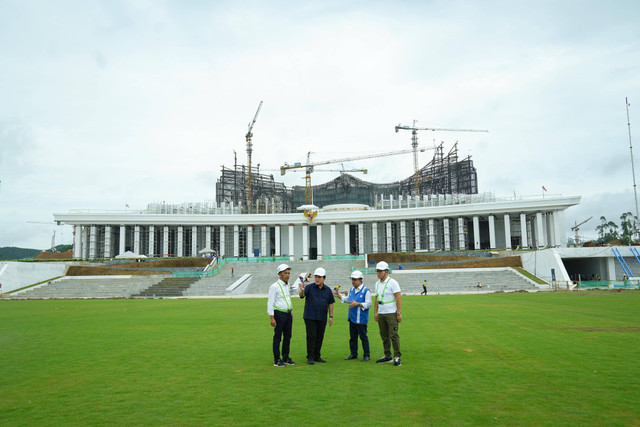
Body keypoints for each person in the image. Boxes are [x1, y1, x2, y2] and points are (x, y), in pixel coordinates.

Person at [299, 267, 335, 365]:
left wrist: (331, 316)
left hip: (322, 317)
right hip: (310, 316)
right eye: (316, 277)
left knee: (320, 337)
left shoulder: (327, 290)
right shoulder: (309, 287)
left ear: (324, 278)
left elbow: (331, 303)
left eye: (319, 277)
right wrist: (302, 290)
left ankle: (317, 356)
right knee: (311, 336)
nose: (317, 279)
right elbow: (302, 296)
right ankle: (310, 357)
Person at [334, 270, 371, 361]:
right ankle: (353, 354)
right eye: (352, 279)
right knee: (353, 337)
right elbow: (348, 299)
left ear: (360, 280)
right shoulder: (351, 290)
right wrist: (339, 296)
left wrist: (358, 304)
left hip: (361, 318)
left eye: (355, 279)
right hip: (352, 318)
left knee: (363, 337)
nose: (353, 281)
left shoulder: (366, 291)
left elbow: (369, 304)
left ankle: (366, 355)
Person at [373, 261, 402, 366]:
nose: (378, 273)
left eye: (380, 271)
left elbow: (398, 297)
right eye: (377, 271)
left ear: (386, 271)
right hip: (381, 313)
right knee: (384, 335)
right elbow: (376, 299)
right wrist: (376, 312)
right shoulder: (377, 284)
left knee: (393, 335)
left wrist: (398, 313)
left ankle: (397, 357)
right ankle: (387, 355)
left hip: (391, 313)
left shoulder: (393, 283)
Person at [267, 264, 296, 367]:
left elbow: (286, 298)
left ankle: (286, 357)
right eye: (285, 273)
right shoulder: (274, 286)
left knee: (288, 336)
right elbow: (270, 303)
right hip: (279, 314)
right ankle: (277, 359)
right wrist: (271, 317)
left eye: (288, 273)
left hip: (288, 314)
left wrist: (290, 310)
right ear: (280, 274)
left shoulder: (287, 285)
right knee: (278, 337)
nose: (287, 275)